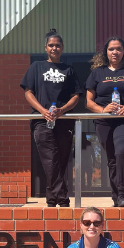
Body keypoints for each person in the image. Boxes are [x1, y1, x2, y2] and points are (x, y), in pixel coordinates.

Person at [20, 29, 83, 207]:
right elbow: (28, 92)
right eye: (51, 45)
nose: (54, 48)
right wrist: (42, 110)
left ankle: (52, 197)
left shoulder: (68, 70)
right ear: (45, 48)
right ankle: (62, 198)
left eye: (57, 45)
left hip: (63, 120)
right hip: (41, 120)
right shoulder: (36, 67)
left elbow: (76, 96)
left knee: (61, 159)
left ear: (62, 48)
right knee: (50, 157)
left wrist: (62, 110)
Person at [85, 36, 124, 207]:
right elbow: (89, 102)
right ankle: (116, 196)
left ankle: (122, 194)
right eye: (111, 49)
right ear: (106, 52)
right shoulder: (97, 73)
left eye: (119, 49)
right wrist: (102, 110)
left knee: (122, 152)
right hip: (104, 121)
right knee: (112, 159)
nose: (115, 52)